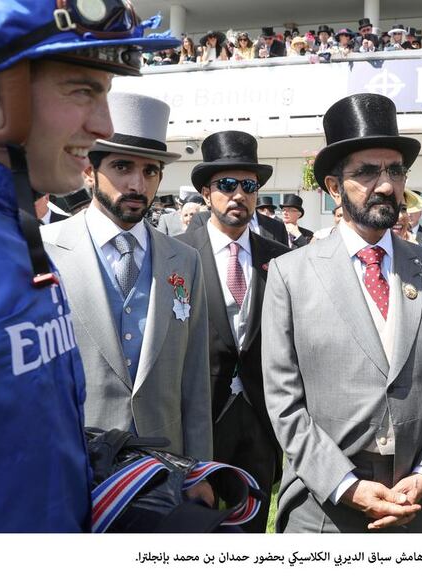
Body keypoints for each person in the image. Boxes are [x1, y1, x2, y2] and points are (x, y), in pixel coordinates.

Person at [0, 0, 178, 532]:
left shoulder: (9, 228)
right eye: (82, 89)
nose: (103, 124)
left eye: (105, 93)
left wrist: (106, 470)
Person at [262, 93, 422, 533]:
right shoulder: (289, 275)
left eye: (395, 170)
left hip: (416, 504)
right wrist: (344, 485)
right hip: (325, 506)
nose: (386, 185)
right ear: (334, 188)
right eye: (367, 172)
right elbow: (283, 401)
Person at [41, 93, 214, 506]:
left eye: (150, 171)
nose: (138, 184)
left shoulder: (184, 260)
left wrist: (198, 469)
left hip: (163, 473)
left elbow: (194, 378)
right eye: (122, 167)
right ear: (88, 170)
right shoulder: (44, 250)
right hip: (70, 469)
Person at [178, 130, 290, 532]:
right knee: (199, 527)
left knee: (253, 521)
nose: (238, 194)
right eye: (226, 185)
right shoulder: (176, 252)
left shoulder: (279, 259)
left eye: (249, 185)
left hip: (260, 415)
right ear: (206, 193)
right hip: (200, 418)